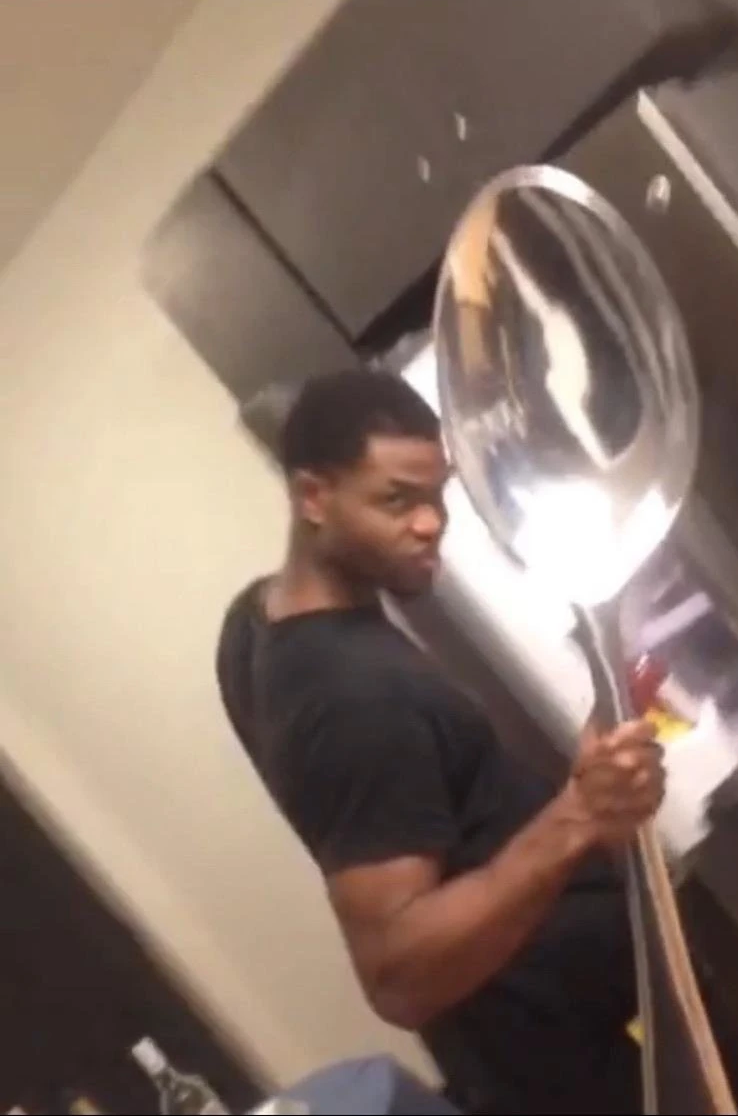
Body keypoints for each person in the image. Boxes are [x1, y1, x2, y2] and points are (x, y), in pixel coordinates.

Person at [216, 369, 665, 1114]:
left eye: (437, 496)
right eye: (397, 499)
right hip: (572, 1059)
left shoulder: (256, 621)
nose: (430, 524)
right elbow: (398, 975)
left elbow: (418, 810)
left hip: (554, 1030)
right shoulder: (352, 697)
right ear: (313, 497)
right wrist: (579, 814)